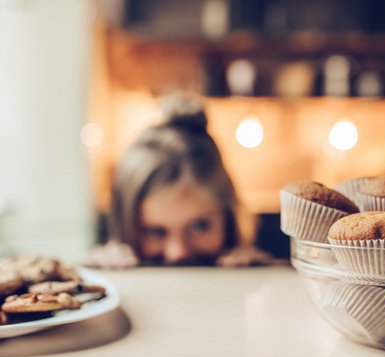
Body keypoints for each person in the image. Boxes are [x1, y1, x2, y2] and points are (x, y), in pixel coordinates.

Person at [83, 94, 277, 268]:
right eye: (155, 232)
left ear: (228, 217)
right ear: (125, 223)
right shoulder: (104, 275)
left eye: (199, 226)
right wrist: (100, 276)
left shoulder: (255, 273)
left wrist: (257, 278)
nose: (178, 253)